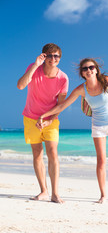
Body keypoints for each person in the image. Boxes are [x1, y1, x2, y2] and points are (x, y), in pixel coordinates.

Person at [36, 58, 108, 203]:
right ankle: (103, 195)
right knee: (101, 160)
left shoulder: (105, 80)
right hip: (98, 125)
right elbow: (63, 105)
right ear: (82, 73)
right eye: (85, 69)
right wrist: (44, 115)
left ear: (96, 69)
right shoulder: (82, 89)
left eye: (91, 67)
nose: (89, 70)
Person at [17, 43, 69, 203]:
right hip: (31, 117)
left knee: (53, 153)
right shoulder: (34, 68)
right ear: (43, 56)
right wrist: (35, 66)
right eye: (49, 55)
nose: (53, 58)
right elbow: (20, 86)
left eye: (56, 56)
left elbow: (60, 105)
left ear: (59, 59)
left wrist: (49, 121)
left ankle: (55, 193)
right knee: (37, 154)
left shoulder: (63, 78)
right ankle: (43, 191)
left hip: (51, 120)